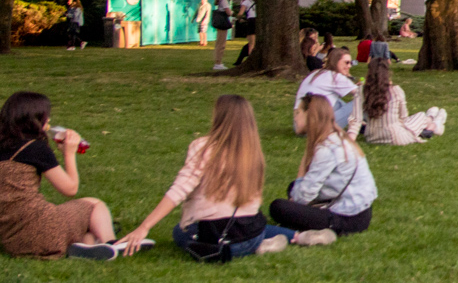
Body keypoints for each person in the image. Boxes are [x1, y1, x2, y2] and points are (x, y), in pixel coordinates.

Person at [121, 95, 316, 259]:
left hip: (218, 238)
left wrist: (144, 227)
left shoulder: (204, 147)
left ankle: (262, 247)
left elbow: (180, 189)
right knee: (252, 225)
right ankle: (296, 237)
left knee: (179, 232)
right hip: (251, 232)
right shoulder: (253, 152)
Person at [0, 91, 123, 260]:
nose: (49, 120)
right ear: (34, 119)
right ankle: (113, 245)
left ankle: (87, 247)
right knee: (95, 205)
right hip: (44, 229)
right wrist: (69, 154)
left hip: (13, 241)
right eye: (46, 115)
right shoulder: (36, 148)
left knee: (87, 229)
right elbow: (70, 189)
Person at [269, 95, 375, 240]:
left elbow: (303, 197)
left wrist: (302, 170)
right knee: (292, 188)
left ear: (309, 115)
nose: (294, 118)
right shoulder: (337, 138)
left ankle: (323, 233)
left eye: (298, 112)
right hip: (359, 210)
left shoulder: (326, 149)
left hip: (348, 218)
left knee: (278, 207)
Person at [361, 59, 446, 144]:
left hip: (372, 137)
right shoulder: (395, 90)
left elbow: (356, 119)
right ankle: (434, 122)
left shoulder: (362, 90)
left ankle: (431, 119)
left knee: (412, 122)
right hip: (394, 136)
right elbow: (403, 117)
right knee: (421, 116)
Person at [294, 49, 361, 135]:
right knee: (361, 100)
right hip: (316, 128)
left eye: (350, 63)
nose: (349, 66)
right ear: (336, 62)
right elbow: (361, 93)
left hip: (298, 126)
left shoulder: (316, 73)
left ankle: (361, 124)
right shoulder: (336, 77)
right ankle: (372, 127)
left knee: (337, 102)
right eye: (346, 63)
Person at [210, 0, 234, 70]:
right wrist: (232, 12)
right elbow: (228, 12)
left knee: (219, 43)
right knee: (221, 44)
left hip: (221, 23)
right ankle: (218, 62)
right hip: (222, 23)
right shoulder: (224, 0)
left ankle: (218, 62)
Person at [232, 0, 257, 67]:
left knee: (251, 43)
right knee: (253, 42)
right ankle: (240, 60)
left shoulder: (246, 2)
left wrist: (239, 19)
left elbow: (240, 13)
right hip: (258, 21)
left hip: (251, 21)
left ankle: (251, 61)